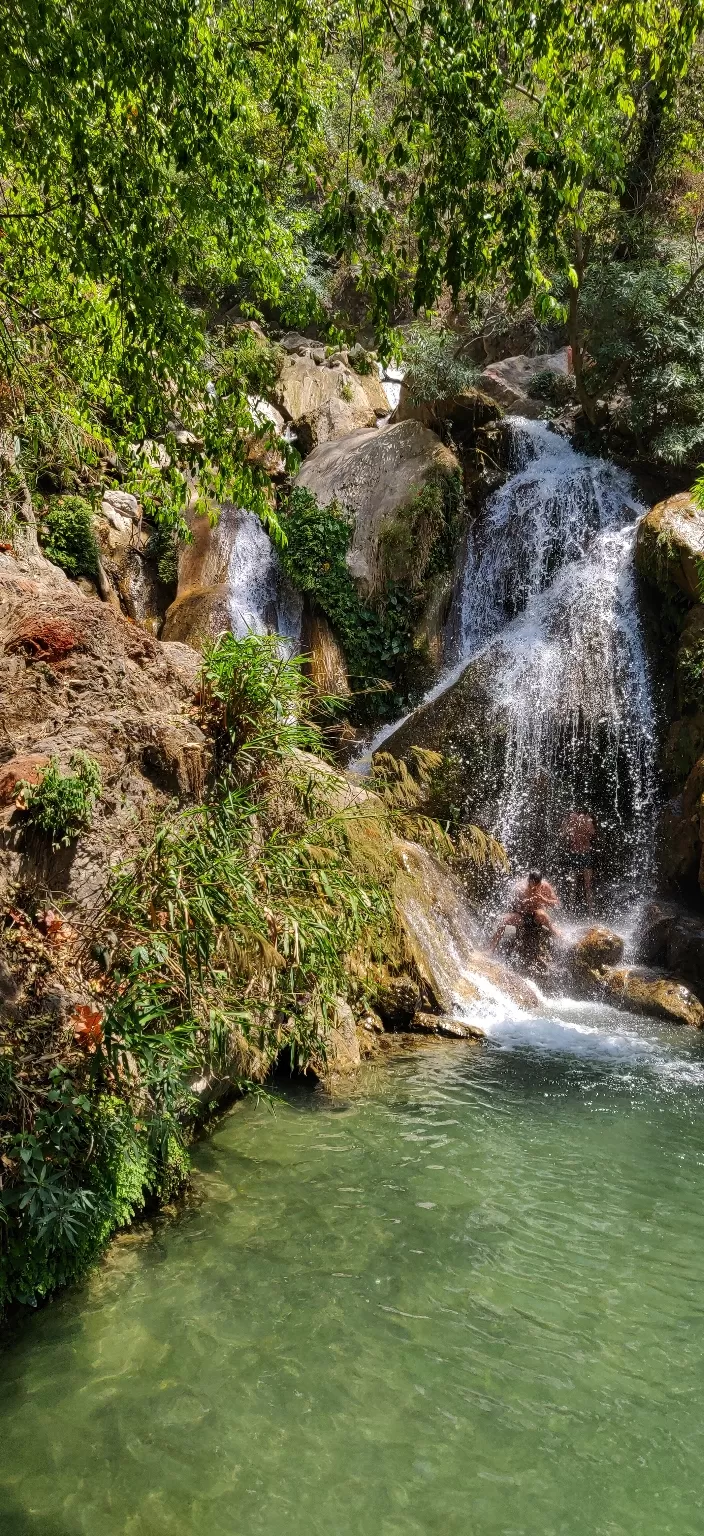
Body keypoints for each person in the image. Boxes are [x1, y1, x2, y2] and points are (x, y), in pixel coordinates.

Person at [489, 870, 561, 959]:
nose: (534, 887)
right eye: (532, 884)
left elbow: (556, 903)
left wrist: (543, 900)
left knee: (543, 915)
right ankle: (490, 949)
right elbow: (512, 907)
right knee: (504, 921)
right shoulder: (520, 888)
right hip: (521, 916)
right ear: (528, 881)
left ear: (540, 882)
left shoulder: (545, 886)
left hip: (536, 914)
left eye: (537, 885)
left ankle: (561, 940)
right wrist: (524, 904)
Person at [560, 808, 596, 914]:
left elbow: (562, 834)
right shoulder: (580, 818)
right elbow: (593, 833)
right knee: (580, 885)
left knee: (577, 885)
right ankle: (587, 911)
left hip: (580, 854)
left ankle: (588, 911)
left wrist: (576, 825)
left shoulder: (584, 818)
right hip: (580, 854)